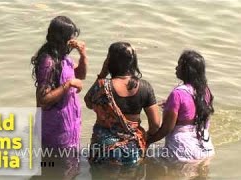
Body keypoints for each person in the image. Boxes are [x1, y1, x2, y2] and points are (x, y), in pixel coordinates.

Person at [84, 42, 161, 166]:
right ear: (133, 62)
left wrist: (103, 73)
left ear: (110, 62)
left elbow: (88, 102)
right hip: (133, 148)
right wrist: (143, 138)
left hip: (104, 149)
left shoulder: (102, 86)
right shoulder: (145, 87)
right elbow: (156, 124)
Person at [30, 16, 87, 178]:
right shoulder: (48, 61)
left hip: (69, 125)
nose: (72, 40)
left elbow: (81, 75)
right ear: (61, 38)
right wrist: (68, 85)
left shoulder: (63, 57)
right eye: (70, 37)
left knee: (69, 169)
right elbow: (43, 99)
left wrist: (83, 55)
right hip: (55, 128)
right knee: (56, 170)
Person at [147, 50, 215, 162]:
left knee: (149, 158)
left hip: (182, 151)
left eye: (179, 65)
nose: (176, 68)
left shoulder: (177, 94)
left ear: (187, 70)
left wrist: (147, 141)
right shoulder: (205, 91)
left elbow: (166, 129)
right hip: (206, 148)